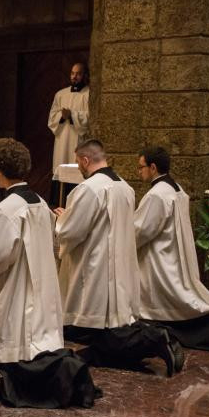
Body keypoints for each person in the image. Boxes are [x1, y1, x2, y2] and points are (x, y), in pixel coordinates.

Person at [0, 138, 100, 408]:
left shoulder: (5, 210)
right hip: (37, 280)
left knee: (15, 339)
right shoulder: (40, 202)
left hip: (14, 285)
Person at [54, 140, 184, 376]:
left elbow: (71, 231)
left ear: (85, 160)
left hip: (94, 270)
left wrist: (60, 220)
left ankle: (154, 338)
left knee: (86, 331)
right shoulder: (125, 187)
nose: (79, 167)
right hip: (117, 269)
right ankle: (153, 339)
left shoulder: (88, 189)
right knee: (107, 329)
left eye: (78, 162)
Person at [135, 147, 209, 351]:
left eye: (141, 167)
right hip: (173, 252)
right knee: (184, 291)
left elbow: (141, 230)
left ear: (153, 167)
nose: (139, 171)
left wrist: (120, 235)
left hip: (159, 257)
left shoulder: (156, 195)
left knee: (165, 300)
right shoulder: (176, 188)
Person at [48, 63, 90, 203]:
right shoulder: (61, 94)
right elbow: (52, 117)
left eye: (78, 73)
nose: (74, 76)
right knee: (60, 166)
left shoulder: (89, 94)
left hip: (78, 139)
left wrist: (72, 115)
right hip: (62, 139)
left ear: (85, 75)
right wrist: (61, 116)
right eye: (72, 73)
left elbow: (90, 117)